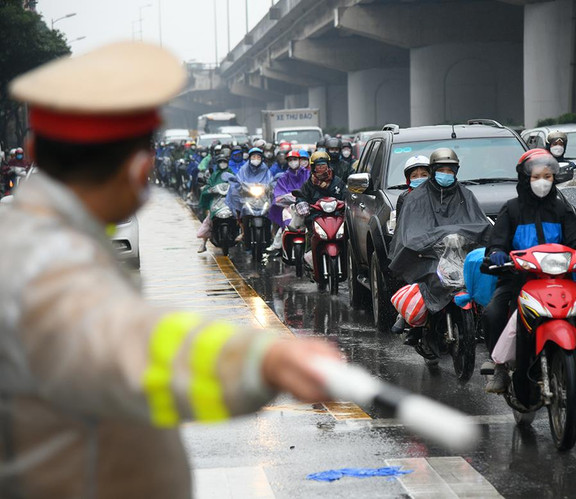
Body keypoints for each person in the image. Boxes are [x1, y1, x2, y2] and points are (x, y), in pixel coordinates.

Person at [0, 41, 340, 498]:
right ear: (142, 167)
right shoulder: (42, 256)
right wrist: (264, 362)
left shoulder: (47, 233)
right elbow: (133, 348)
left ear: (32, 150)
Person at [483, 149, 576, 394]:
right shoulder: (511, 209)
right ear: (525, 178)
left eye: (548, 176)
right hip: (518, 279)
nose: (542, 181)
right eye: (537, 176)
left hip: (561, 280)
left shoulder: (564, 210)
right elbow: (497, 242)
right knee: (493, 313)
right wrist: (497, 252)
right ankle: (500, 367)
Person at [388, 148, 491, 346]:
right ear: (434, 171)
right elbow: (410, 231)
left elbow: (479, 223)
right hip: (430, 255)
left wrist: (469, 237)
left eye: (449, 171)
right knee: (424, 281)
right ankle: (418, 326)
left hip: (459, 253)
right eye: (441, 170)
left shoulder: (466, 195)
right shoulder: (415, 197)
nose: (446, 174)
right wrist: (428, 242)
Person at [390, 154, 432, 335]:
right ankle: (406, 313)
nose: (419, 178)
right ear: (408, 179)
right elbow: (401, 227)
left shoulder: (440, 194)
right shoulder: (404, 198)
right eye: (415, 176)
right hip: (415, 247)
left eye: (424, 174)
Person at [267, 150, 310, 252]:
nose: (292, 162)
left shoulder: (307, 174)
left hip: (306, 205)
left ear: (299, 160)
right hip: (289, 207)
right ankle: (282, 246)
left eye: (295, 159)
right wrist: (291, 198)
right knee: (286, 223)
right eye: (290, 160)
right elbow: (278, 194)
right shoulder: (284, 177)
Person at [197, 154, 234, 252]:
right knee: (208, 221)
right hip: (216, 201)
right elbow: (208, 187)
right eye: (220, 162)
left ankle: (242, 234)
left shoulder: (231, 174)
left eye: (224, 162)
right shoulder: (214, 175)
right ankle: (203, 243)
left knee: (241, 217)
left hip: (230, 201)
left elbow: (237, 184)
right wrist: (211, 190)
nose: (222, 164)